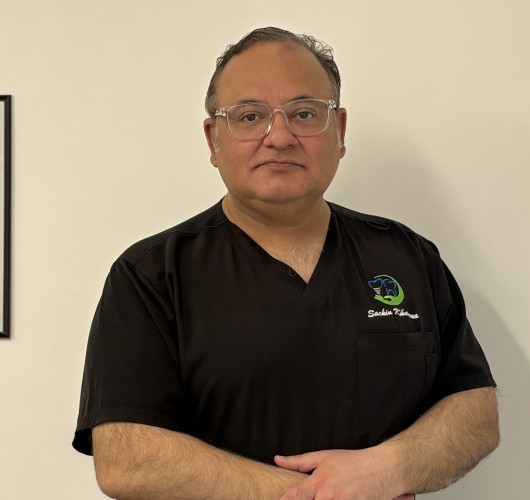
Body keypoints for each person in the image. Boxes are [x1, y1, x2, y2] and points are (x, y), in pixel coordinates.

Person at [73, 27, 499, 499]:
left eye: (304, 113)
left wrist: (386, 469)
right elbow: (127, 458)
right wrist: (320, 493)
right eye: (250, 116)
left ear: (339, 132)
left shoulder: (407, 256)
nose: (279, 137)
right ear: (214, 140)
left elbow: (474, 410)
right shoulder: (151, 276)